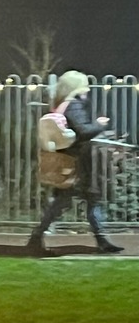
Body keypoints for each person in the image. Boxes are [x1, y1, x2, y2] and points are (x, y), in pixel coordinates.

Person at [27, 70, 124, 254]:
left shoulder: (59, 105)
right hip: (78, 163)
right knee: (90, 199)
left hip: (68, 160)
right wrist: (100, 124)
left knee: (63, 201)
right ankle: (101, 241)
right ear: (75, 88)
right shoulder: (74, 106)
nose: (86, 91)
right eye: (84, 87)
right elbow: (83, 131)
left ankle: (36, 237)